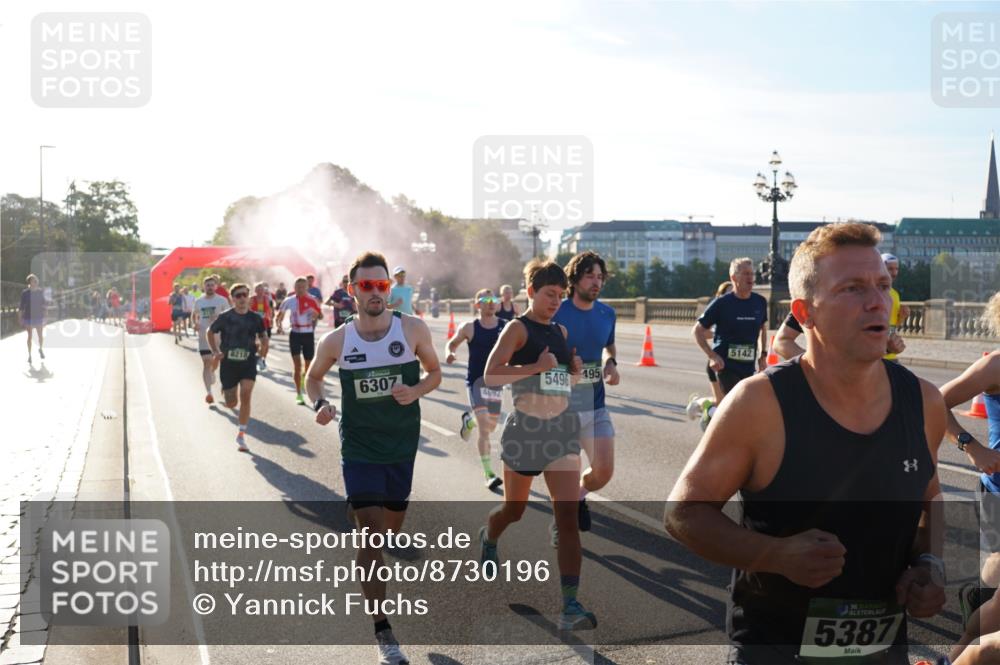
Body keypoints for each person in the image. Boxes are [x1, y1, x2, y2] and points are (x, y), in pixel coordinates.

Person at [666, 222, 948, 665]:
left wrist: (929, 565)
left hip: (882, 649)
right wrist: (774, 555)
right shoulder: (760, 403)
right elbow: (682, 513)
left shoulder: (924, 401)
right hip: (777, 650)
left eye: (883, 285)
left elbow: (930, 499)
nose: (878, 302)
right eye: (852, 288)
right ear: (805, 312)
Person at [306, 251, 441, 665]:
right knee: (371, 534)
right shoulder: (337, 340)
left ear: (389, 288)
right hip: (360, 448)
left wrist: (415, 391)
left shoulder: (413, 329)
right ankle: (382, 629)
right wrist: (321, 404)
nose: (376, 292)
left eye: (381, 285)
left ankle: (365, 511)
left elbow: (435, 372)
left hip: (401, 448)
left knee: (389, 529)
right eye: (367, 286)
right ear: (353, 292)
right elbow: (312, 379)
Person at [478, 259, 595, 631]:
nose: (555, 301)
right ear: (530, 291)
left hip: (561, 431)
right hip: (525, 431)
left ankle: (570, 605)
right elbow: (491, 375)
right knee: (515, 510)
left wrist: (572, 374)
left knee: (568, 519)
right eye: (549, 294)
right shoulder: (517, 328)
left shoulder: (560, 330)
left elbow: (560, 382)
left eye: (560, 295)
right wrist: (535, 367)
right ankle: (489, 535)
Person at [939, 293, 1000, 630]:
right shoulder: (994, 365)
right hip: (999, 487)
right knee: (997, 578)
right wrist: (971, 446)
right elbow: (935, 401)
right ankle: (977, 607)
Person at [552, 251, 619, 541]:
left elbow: (609, 346)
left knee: (603, 472)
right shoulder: (557, 311)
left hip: (595, 405)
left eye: (600, 277)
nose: (596, 282)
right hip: (561, 408)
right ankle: (561, 523)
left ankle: (579, 496)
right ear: (575, 278)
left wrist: (610, 362)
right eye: (590, 275)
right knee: (564, 477)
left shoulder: (607, 314)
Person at [773, 252, 908, 362]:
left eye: (883, 286)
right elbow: (782, 342)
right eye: (850, 287)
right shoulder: (814, 302)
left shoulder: (880, 300)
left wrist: (888, 347)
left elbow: (868, 347)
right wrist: (817, 366)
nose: (878, 298)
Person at [690, 257, 768, 426]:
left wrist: (763, 355)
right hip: (725, 366)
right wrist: (712, 356)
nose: (751, 278)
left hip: (747, 366)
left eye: (752, 274)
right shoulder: (722, 304)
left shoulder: (760, 302)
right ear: (734, 277)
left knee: (737, 406)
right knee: (735, 406)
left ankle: (709, 416)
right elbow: (697, 331)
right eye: (746, 274)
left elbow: (763, 329)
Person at [445, 288, 506, 490]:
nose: (491, 302)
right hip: (476, 382)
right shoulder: (469, 327)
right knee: (485, 427)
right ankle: (488, 473)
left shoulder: (505, 327)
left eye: (494, 299)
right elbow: (451, 344)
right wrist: (450, 353)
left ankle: (468, 420)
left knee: (490, 424)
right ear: (477, 304)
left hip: (496, 383)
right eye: (486, 299)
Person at [207, 283, 268, 452]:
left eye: (244, 295)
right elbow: (210, 332)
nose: (242, 299)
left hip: (248, 362)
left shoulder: (255, 318)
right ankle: (226, 392)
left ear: (248, 297)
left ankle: (241, 435)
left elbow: (263, 336)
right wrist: (215, 351)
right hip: (229, 364)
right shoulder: (225, 317)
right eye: (238, 296)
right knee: (231, 402)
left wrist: (263, 349)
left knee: (246, 395)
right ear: (233, 299)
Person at [686, 280, 734, 429]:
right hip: (717, 361)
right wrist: (718, 333)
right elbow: (701, 331)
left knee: (727, 401)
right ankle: (701, 406)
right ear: (721, 295)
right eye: (729, 291)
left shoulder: (740, 309)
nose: (733, 293)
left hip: (735, 363)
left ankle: (704, 408)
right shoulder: (717, 309)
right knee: (723, 402)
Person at [276, 277, 323, 405]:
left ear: (307, 287)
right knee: (297, 366)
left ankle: (306, 385)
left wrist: (316, 315)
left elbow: (320, 315)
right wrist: (279, 325)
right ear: (294, 288)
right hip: (295, 334)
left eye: (303, 287)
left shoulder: (313, 300)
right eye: (298, 287)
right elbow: (279, 314)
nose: (300, 289)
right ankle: (299, 394)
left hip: (308, 334)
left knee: (308, 367)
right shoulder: (289, 300)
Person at [192, 277, 231, 404]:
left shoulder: (222, 300)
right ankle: (209, 393)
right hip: (204, 337)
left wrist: (219, 318)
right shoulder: (199, 301)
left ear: (216, 286)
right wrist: (195, 324)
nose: (209, 287)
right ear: (204, 286)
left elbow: (230, 316)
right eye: (207, 285)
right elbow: (194, 315)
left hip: (219, 338)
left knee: (216, 361)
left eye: (211, 285)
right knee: (206, 363)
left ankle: (213, 372)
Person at [20, 274, 46, 362]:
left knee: (40, 336)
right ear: (29, 282)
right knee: (29, 336)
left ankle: (41, 349)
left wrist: (46, 316)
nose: (35, 282)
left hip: (39, 316)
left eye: (36, 281)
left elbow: (44, 304)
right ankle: (29, 355)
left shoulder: (40, 292)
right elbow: (21, 306)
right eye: (33, 281)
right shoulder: (25, 293)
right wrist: (20, 318)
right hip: (28, 316)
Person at [249, 282, 274, 370]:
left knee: (265, 344)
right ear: (255, 290)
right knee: (256, 344)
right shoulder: (252, 299)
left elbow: (270, 310)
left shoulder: (267, 299)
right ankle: (257, 358)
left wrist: (271, 320)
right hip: (253, 324)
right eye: (258, 289)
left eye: (261, 289)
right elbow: (247, 310)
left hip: (265, 324)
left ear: (264, 290)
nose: (260, 291)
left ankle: (262, 359)